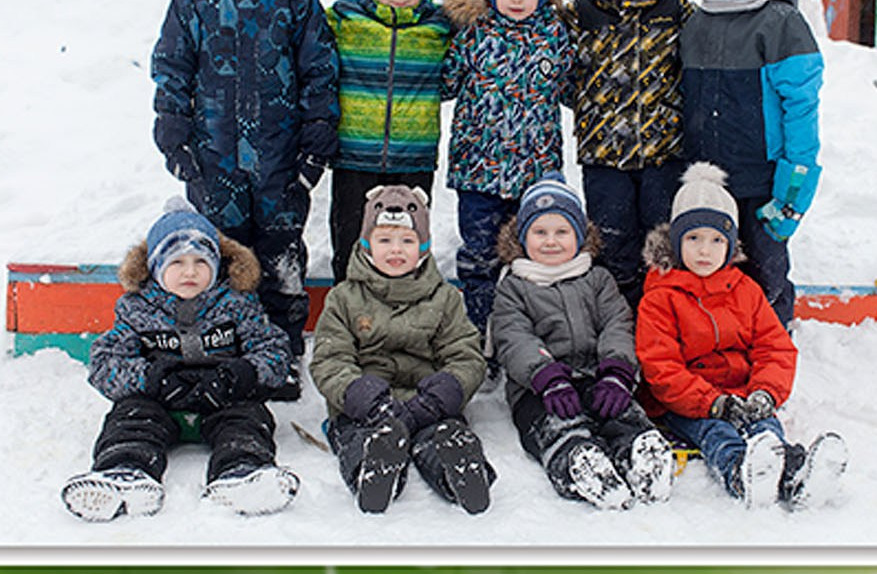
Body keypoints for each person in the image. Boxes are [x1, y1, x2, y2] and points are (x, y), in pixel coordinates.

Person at [150, 0, 336, 353]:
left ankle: (280, 350)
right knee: (223, 253)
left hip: (280, 157)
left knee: (280, 258)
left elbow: (319, 71)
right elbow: (173, 66)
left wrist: (316, 143)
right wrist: (174, 134)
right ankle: (223, 352)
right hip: (215, 157)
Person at [60, 200, 300, 521]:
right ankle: (123, 471)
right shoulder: (137, 309)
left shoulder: (237, 303)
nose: (190, 271)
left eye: (201, 261)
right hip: (161, 400)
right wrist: (151, 378)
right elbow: (105, 361)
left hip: (222, 397)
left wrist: (241, 374)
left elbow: (273, 350)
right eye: (177, 263)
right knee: (130, 417)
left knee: (247, 418)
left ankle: (242, 472)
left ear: (216, 264)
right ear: (156, 267)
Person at [637, 163, 849, 508]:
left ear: (730, 245)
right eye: (693, 239)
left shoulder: (745, 289)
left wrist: (765, 391)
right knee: (715, 432)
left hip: (743, 391)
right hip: (690, 402)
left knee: (766, 427)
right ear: (675, 242)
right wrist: (712, 402)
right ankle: (739, 473)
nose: (705, 251)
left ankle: (794, 474)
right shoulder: (660, 297)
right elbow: (662, 368)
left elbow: (775, 346)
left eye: (716, 240)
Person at [489, 176, 675, 509]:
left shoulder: (597, 278)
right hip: (538, 387)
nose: (551, 242)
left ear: (579, 236)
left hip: (596, 373)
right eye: (540, 232)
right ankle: (577, 461)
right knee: (554, 424)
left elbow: (616, 324)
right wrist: (545, 376)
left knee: (622, 411)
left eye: (562, 232)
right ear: (522, 237)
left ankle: (641, 452)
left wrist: (617, 371)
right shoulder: (514, 286)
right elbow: (514, 337)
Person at [308, 185, 494, 514]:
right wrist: (358, 393)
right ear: (366, 244)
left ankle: (459, 469)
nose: (396, 250)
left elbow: (464, 354)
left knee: (440, 435)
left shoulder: (445, 297)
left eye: (407, 241)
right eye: (384, 241)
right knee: (358, 436)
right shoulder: (344, 298)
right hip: (365, 408)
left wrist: (446, 391)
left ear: (423, 247)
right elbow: (330, 357)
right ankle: (373, 468)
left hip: (428, 404)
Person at [681, 0, 823, 323]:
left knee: (764, 269)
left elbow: (802, 105)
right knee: (711, 266)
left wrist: (795, 177)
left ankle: (771, 348)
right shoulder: (697, 20)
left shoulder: (781, 21)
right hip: (706, 173)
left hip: (761, 175)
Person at [438, 0, 573, 328]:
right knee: (479, 257)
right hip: (478, 171)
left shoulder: (556, 35)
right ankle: (481, 332)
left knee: (531, 257)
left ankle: (524, 332)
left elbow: (573, 89)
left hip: (536, 173)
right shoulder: (475, 33)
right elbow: (445, 82)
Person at [566, 0, 692, 302]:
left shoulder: (676, 8)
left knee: (661, 241)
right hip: (604, 155)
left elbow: (695, 68)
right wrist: (590, 107)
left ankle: (660, 320)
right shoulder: (582, 12)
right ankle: (618, 326)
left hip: (663, 153)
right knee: (612, 242)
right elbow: (563, 74)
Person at [324, 0, 452, 282]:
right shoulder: (345, 20)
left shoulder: (439, 28)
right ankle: (349, 324)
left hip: (414, 159)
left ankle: (406, 325)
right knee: (353, 247)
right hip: (355, 158)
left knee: (408, 247)